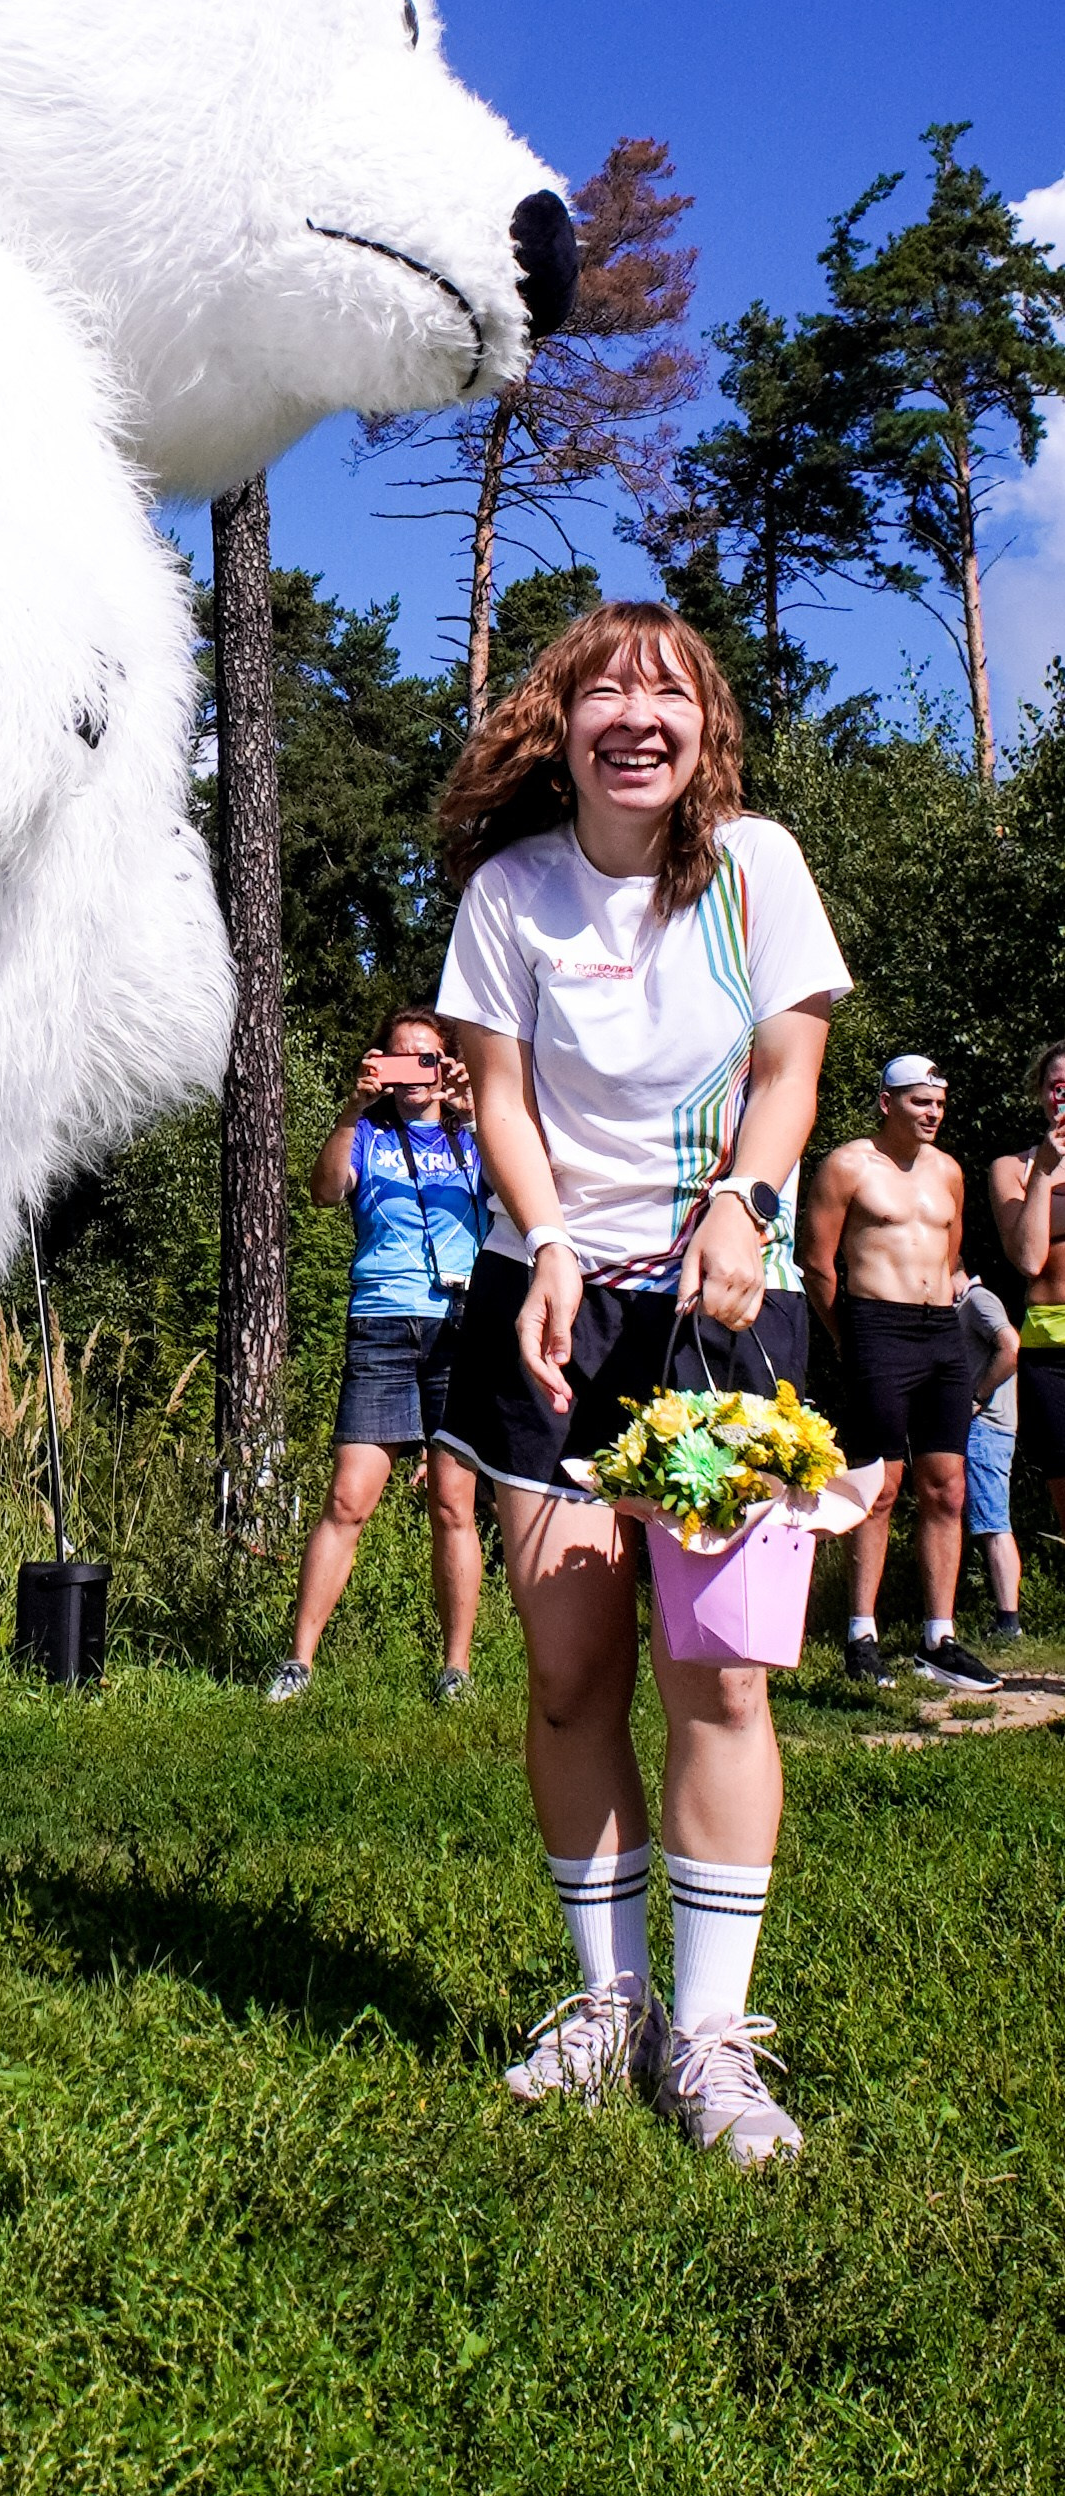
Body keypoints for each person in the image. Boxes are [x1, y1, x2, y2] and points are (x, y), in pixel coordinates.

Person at [433, 600, 849, 2168]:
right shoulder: (508, 892)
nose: (633, 715)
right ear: (561, 723)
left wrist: (743, 1202)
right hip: (548, 1309)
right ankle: (605, 2004)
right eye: (602, 688)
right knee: (565, 1673)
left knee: (720, 1675)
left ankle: (710, 2034)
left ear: (701, 730)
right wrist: (541, 1242)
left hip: (721, 1306)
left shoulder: (760, 867)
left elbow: (788, 1068)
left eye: (664, 693)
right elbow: (496, 1091)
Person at [266, 1010, 490, 1707]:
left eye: (428, 1059)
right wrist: (349, 1108)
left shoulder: (472, 1136)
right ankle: (298, 1663)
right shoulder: (366, 1131)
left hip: (459, 1323)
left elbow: (520, 1199)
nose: (414, 1073)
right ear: (380, 1069)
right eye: (399, 1060)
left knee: (454, 1503)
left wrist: (477, 1113)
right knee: (347, 1497)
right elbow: (326, 1191)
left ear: (446, 1063)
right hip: (383, 1322)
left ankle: (456, 1670)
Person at [798, 1059, 999, 1696]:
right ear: (887, 1103)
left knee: (948, 1486)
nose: (932, 1113)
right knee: (878, 1485)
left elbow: (951, 1250)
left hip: (940, 1332)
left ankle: (939, 1637)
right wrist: (849, 1338)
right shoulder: (848, 1166)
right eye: (919, 1102)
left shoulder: (949, 1172)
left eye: (939, 1102)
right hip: (875, 1329)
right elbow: (817, 1262)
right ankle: (862, 1632)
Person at [990, 1039, 1065, 1548]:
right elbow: (1030, 1258)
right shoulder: (1011, 1168)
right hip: (1049, 1345)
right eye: (1057, 1086)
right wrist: (1045, 1166)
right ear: (1042, 1095)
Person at [953, 1268, 1021, 1644]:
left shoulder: (978, 1301)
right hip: (984, 1429)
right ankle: (1004, 1617)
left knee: (994, 1522)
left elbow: (1010, 1346)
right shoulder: (967, 1305)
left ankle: (1009, 1621)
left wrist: (977, 1397)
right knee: (987, 1521)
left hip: (988, 1428)